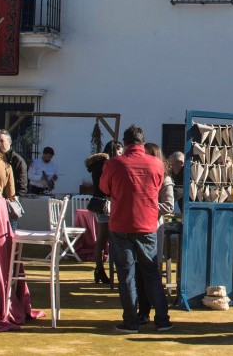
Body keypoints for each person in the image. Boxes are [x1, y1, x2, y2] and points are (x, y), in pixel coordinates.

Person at [99, 125, 173, 334]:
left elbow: (105, 188)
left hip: (121, 223)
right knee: (151, 273)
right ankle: (162, 319)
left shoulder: (114, 163)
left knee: (126, 275)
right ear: (142, 141)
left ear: (125, 142)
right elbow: (158, 187)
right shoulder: (156, 164)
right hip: (148, 224)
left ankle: (131, 321)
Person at [135, 142, 174, 325]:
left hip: (153, 227)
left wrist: (147, 205)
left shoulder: (165, 179)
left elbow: (168, 206)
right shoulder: (141, 177)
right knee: (138, 274)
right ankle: (141, 311)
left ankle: (148, 311)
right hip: (137, 227)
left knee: (150, 273)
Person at [85, 139, 123, 285]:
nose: (121, 155)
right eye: (120, 152)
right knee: (104, 237)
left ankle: (99, 269)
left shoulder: (97, 164)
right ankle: (100, 269)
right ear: (114, 151)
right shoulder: (107, 165)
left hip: (99, 203)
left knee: (101, 238)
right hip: (106, 203)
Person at [0, 129, 28, 200]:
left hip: (10, 200)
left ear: (10, 142)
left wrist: (14, 200)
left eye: (1, 141)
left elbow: (21, 186)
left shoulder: (18, 161)